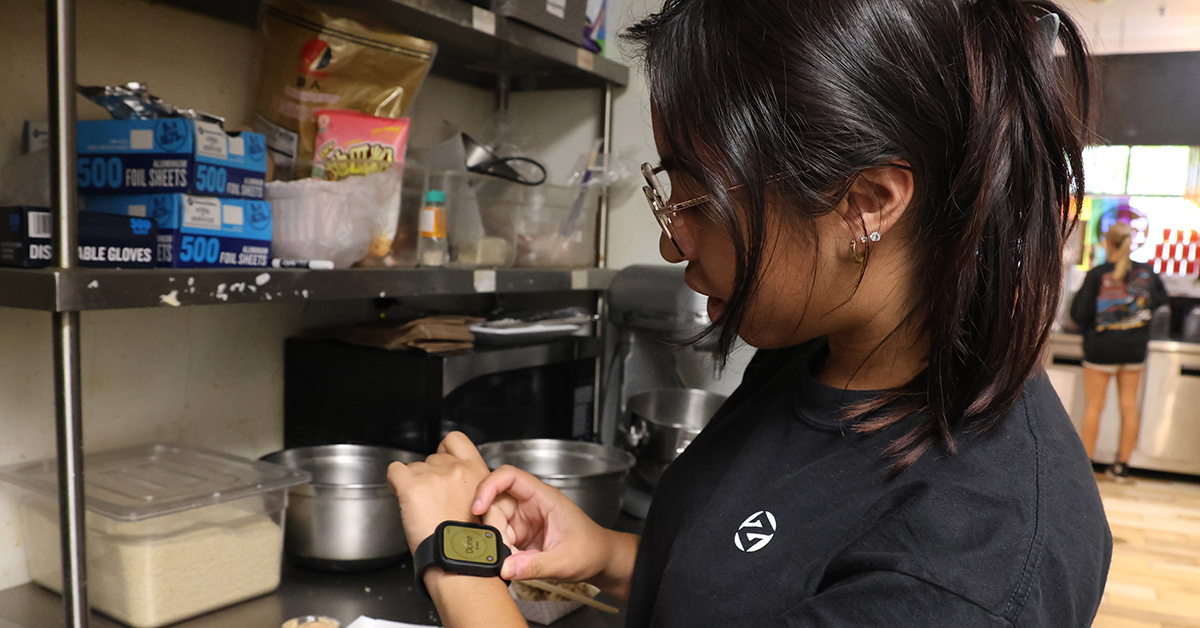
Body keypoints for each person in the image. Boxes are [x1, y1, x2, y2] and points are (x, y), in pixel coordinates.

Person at [388, 0, 1112, 626]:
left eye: (699, 202)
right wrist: (608, 555)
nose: (674, 241)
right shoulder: (822, 354)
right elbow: (758, 591)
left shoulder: (972, 565)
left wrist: (455, 561)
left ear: (866, 204)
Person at [1070, 223, 1168, 478]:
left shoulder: (1097, 274)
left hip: (1100, 349)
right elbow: (1160, 300)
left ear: (1107, 244)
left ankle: (1086, 467)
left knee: (1094, 406)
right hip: (1133, 349)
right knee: (1129, 406)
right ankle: (1121, 467)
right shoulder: (1146, 272)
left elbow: (1079, 314)